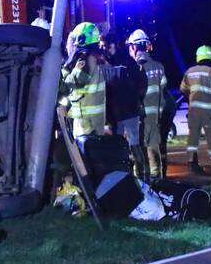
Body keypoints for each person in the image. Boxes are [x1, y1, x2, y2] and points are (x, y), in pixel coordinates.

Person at [101, 31, 147, 179]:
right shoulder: (119, 62)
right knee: (126, 149)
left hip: (126, 114)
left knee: (133, 148)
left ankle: (141, 179)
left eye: (104, 45)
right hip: (118, 115)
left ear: (111, 45)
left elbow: (141, 84)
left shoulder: (125, 63)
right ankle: (131, 179)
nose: (102, 48)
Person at [127, 29, 168, 181]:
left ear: (135, 47)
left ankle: (140, 185)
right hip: (154, 117)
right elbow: (163, 92)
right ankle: (158, 182)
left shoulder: (133, 69)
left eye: (130, 47)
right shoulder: (159, 67)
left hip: (137, 118)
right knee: (153, 151)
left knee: (138, 153)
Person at [180, 45, 211, 174]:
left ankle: (192, 164)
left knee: (193, 137)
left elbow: (183, 89)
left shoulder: (189, 72)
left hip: (194, 110)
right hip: (209, 110)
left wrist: (192, 97)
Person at [60, 22, 107, 141]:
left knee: (84, 153)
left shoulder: (86, 59)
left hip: (86, 122)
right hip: (94, 119)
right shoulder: (95, 57)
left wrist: (64, 69)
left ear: (82, 39)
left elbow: (73, 82)